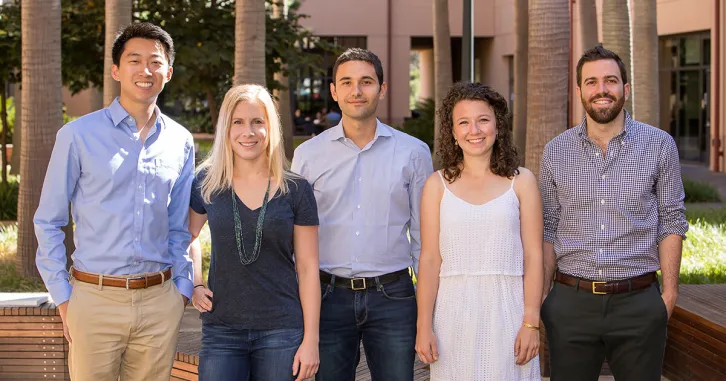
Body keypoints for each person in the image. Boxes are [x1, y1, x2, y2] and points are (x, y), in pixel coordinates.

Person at [34, 23, 193, 381]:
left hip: (159, 301)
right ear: (116, 70)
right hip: (94, 300)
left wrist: (181, 290)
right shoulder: (77, 136)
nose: (145, 70)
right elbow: (48, 221)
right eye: (134, 60)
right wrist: (63, 297)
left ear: (168, 72)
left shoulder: (181, 142)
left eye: (155, 62)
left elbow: (179, 226)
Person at [539, 45, 689, 381]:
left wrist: (669, 294)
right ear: (579, 91)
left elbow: (671, 220)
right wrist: (546, 297)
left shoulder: (659, 145)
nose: (601, 90)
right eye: (591, 82)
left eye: (610, 80)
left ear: (625, 89)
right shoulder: (555, 151)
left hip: (638, 303)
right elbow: (548, 227)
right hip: (570, 304)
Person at [291, 47, 433, 381]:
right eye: (347, 82)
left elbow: (424, 240)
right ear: (334, 91)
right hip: (327, 297)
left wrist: (427, 312)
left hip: (394, 297)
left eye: (366, 82)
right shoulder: (307, 156)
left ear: (382, 89)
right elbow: (296, 241)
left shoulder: (413, 153)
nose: (357, 91)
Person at [188, 84, 320, 381]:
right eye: (238, 122)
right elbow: (187, 238)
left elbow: (309, 268)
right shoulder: (206, 183)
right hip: (222, 329)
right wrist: (195, 283)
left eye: (257, 122)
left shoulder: (296, 189)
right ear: (226, 128)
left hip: (281, 330)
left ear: (270, 127)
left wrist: (311, 340)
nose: (248, 132)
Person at [415, 82, 543, 380]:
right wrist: (424, 326)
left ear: (497, 126)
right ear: (453, 133)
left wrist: (531, 323)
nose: (475, 129)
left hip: (509, 313)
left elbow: (534, 256)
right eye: (464, 122)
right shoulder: (436, 185)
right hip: (452, 315)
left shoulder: (522, 181)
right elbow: (430, 260)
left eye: (483, 119)